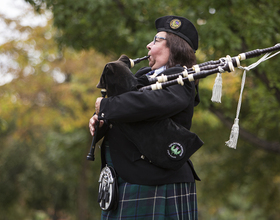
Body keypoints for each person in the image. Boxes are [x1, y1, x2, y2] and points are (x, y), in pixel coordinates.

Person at [89, 15, 202, 220]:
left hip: (157, 181)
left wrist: (107, 106)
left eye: (156, 40)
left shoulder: (181, 80)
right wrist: (103, 122)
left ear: (175, 47)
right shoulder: (143, 79)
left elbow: (146, 104)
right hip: (127, 178)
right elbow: (132, 111)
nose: (148, 46)